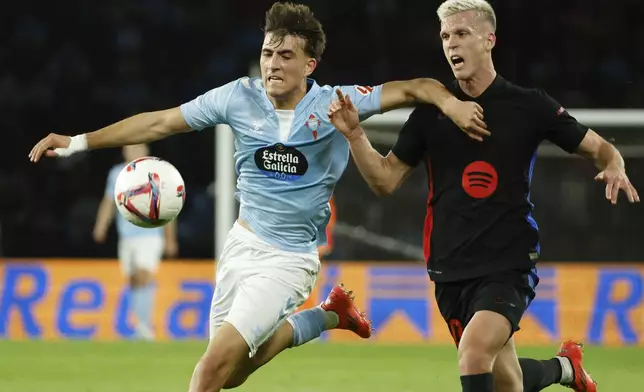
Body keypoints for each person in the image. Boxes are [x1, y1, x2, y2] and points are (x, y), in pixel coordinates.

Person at [29, 2, 489, 391]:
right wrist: (79, 141)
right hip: (241, 247)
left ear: (309, 65)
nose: (273, 63)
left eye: (286, 55)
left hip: (290, 260)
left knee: (209, 371)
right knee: (230, 376)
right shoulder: (237, 98)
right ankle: (329, 316)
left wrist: (451, 103)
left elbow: (418, 88)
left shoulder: (334, 103)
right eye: (268, 52)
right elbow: (160, 122)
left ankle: (323, 311)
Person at [328, 1, 639, 391]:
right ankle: (565, 369)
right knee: (505, 380)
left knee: (474, 354)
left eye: (461, 34)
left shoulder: (529, 105)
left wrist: (614, 162)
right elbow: (385, 181)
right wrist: (356, 136)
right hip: (450, 266)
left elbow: (598, 147)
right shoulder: (430, 115)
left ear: (489, 40)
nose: (451, 44)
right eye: (445, 36)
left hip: (508, 261)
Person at [93, 144, 179, 340]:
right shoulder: (116, 174)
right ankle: (141, 325)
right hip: (126, 236)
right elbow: (109, 201)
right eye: (129, 149)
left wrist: (170, 239)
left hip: (150, 234)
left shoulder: (157, 173)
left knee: (143, 275)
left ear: (145, 152)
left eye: (137, 149)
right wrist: (101, 225)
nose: (132, 153)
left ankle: (145, 327)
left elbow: (168, 206)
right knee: (133, 280)